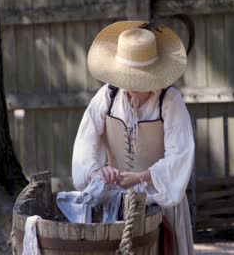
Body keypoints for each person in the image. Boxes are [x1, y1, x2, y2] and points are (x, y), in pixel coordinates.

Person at [72, 19, 195, 255]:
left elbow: (180, 156)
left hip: (161, 200)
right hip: (115, 203)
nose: (131, 85)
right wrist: (98, 172)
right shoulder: (107, 96)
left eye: (139, 79)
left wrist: (140, 178)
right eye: (127, 77)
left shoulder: (169, 102)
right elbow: (85, 144)